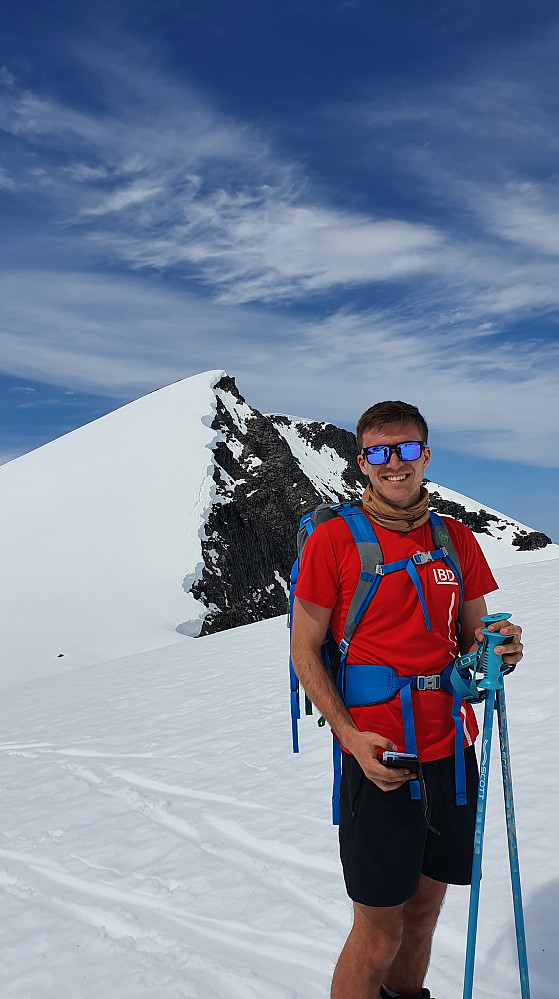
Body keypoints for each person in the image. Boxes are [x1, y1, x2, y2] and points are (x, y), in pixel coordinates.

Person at [290, 400, 523, 999]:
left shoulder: (455, 539)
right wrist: (351, 741)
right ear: (362, 463)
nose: (394, 464)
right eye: (378, 452)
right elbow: (305, 649)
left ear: (425, 455)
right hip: (380, 756)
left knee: (421, 919)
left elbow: (473, 636)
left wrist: (497, 650)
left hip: (449, 749)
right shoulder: (335, 540)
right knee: (378, 936)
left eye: (406, 449)